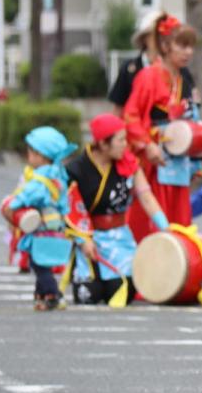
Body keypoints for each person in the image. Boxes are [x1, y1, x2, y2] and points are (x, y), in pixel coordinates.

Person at [65, 114, 169, 305]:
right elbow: (71, 209)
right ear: (104, 144)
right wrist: (82, 240)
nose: (125, 144)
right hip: (90, 241)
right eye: (120, 140)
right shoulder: (76, 169)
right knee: (88, 296)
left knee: (120, 292)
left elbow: (146, 197)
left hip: (120, 241)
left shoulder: (128, 164)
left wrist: (166, 228)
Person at [122, 15, 199, 242]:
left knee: (178, 220)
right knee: (151, 220)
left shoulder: (181, 78)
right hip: (154, 161)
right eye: (182, 45)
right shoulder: (149, 75)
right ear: (165, 46)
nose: (188, 52)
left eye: (191, 46)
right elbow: (130, 115)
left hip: (176, 159)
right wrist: (146, 145)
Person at [4, 126, 78, 311]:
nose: (28, 156)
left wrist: (12, 204)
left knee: (39, 265)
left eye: (31, 153)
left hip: (43, 230)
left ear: (42, 156)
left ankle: (53, 294)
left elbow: (28, 195)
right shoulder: (58, 174)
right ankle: (41, 296)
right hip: (55, 228)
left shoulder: (42, 179)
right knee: (41, 263)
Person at [107, 9, 164, 112]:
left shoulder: (175, 68)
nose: (161, 40)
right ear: (145, 38)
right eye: (157, 35)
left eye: (165, 36)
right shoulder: (129, 69)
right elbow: (118, 108)